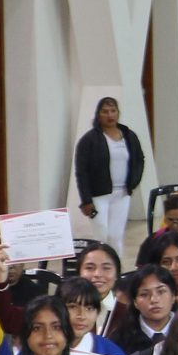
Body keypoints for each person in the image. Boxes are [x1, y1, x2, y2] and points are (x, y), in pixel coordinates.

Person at [73, 97, 146, 249]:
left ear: (118, 113)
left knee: (116, 235)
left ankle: (116, 269)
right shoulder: (89, 140)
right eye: (105, 112)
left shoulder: (129, 136)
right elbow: (81, 172)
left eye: (113, 111)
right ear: (98, 115)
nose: (110, 115)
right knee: (101, 234)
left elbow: (139, 159)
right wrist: (86, 200)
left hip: (122, 194)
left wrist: (134, 181)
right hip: (99, 195)